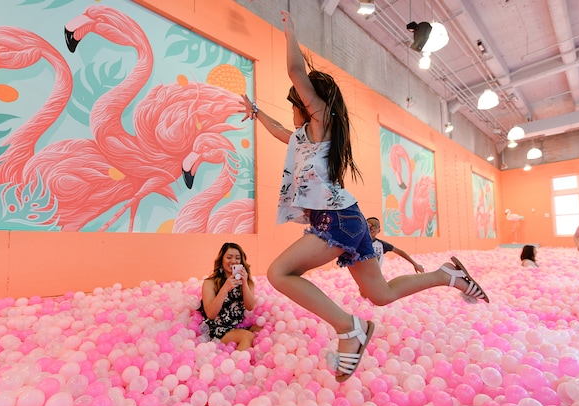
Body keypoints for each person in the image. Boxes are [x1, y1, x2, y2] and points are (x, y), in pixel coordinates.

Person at [239, 11, 489, 382]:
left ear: (306, 103)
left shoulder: (323, 122)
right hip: (348, 217)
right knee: (382, 294)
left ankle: (349, 328)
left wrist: (290, 31)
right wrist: (257, 112)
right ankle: (447, 275)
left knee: (279, 272)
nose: (294, 110)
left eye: (296, 102)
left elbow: (296, 72)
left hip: (336, 219)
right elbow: (279, 130)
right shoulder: (302, 138)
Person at [199, 242, 258, 351]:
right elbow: (210, 314)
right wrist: (225, 288)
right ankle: (236, 365)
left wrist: (244, 283)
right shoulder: (210, 283)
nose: (233, 261)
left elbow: (250, 307)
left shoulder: (247, 282)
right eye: (229, 257)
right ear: (222, 261)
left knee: (261, 331)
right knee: (248, 336)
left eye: (237, 258)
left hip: (237, 326)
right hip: (217, 328)